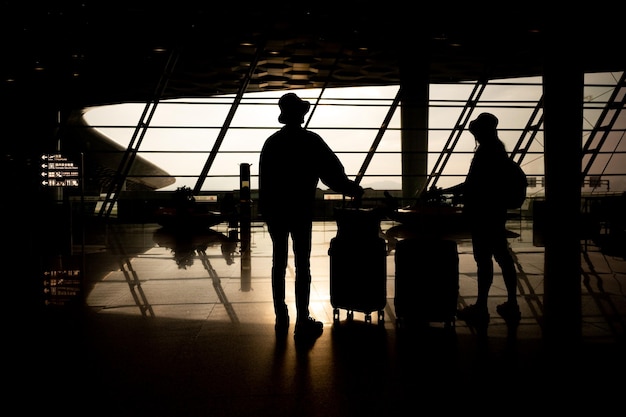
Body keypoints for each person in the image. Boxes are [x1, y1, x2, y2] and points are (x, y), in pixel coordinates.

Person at [259, 92, 364, 339]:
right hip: (300, 210)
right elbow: (332, 175)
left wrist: (268, 210)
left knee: (278, 262)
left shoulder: (272, 143)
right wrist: (352, 189)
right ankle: (303, 316)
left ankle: (280, 313)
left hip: (277, 211)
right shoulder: (311, 141)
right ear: (301, 114)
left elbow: (265, 182)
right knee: (302, 264)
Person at [448, 112, 522, 326]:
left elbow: (472, 185)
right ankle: (512, 302)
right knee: (503, 257)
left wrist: (442, 193)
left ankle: (481, 307)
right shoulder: (498, 150)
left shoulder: (485, 153)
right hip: (495, 212)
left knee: (484, 260)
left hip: (483, 214)